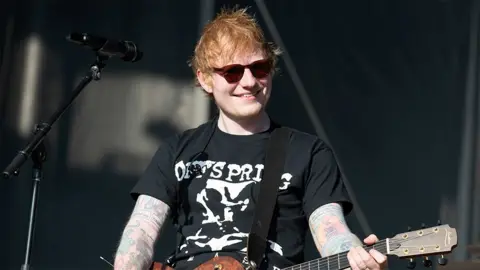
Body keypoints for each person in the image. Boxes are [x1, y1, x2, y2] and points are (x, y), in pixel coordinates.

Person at [113, 6, 388, 270]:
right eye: (232, 72)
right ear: (206, 79)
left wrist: (353, 256)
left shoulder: (308, 153)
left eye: (259, 68)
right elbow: (141, 233)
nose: (249, 82)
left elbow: (332, 232)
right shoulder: (178, 150)